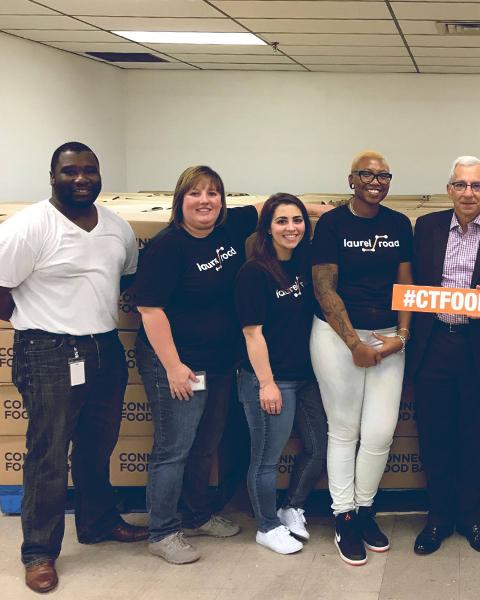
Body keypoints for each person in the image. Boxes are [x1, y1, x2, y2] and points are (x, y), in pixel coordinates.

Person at [0, 141, 147, 593]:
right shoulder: (28, 227)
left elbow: (123, 278)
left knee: (97, 444)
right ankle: (39, 552)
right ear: (52, 177)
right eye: (70, 171)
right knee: (47, 454)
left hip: (102, 349)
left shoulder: (117, 228)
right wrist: (39, 322)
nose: (81, 178)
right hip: (47, 351)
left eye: (89, 170)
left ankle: (98, 521)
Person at [135, 166, 257, 564]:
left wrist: (323, 208)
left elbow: (263, 206)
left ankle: (197, 515)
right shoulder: (167, 247)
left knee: (206, 444)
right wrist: (173, 367)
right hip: (179, 364)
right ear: (180, 200)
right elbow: (149, 309)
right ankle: (163, 531)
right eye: (195, 193)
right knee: (174, 449)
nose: (205, 200)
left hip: (219, 363)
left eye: (213, 192)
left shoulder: (227, 229)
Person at [408, 156, 480, 556]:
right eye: (461, 185)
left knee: (473, 438)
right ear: (449, 189)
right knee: (435, 436)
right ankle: (438, 518)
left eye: (476, 186)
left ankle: (471, 519)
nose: (468, 193)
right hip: (434, 343)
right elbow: (410, 283)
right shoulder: (425, 228)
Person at [310, 150, 413, 566]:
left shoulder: (398, 224)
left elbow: (407, 284)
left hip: (388, 337)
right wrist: (354, 343)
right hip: (337, 336)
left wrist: (401, 337)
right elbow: (324, 288)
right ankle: (344, 515)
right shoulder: (332, 224)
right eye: (367, 175)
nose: (376, 181)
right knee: (345, 428)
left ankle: (367, 509)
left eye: (383, 175)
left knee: (380, 431)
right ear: (351, 180)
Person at [235, 193, 326, 555]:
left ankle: (292, 506)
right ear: (267, 228)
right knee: (265, 459)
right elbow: (251, 333)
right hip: (270, 378)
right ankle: (266, 526)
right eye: (282, 221)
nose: (291, 228)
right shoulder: (254, 272)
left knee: (319, 447)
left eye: (298, 220)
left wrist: (320, 209)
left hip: (306, 377)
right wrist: (267, 383)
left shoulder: (304, 261)